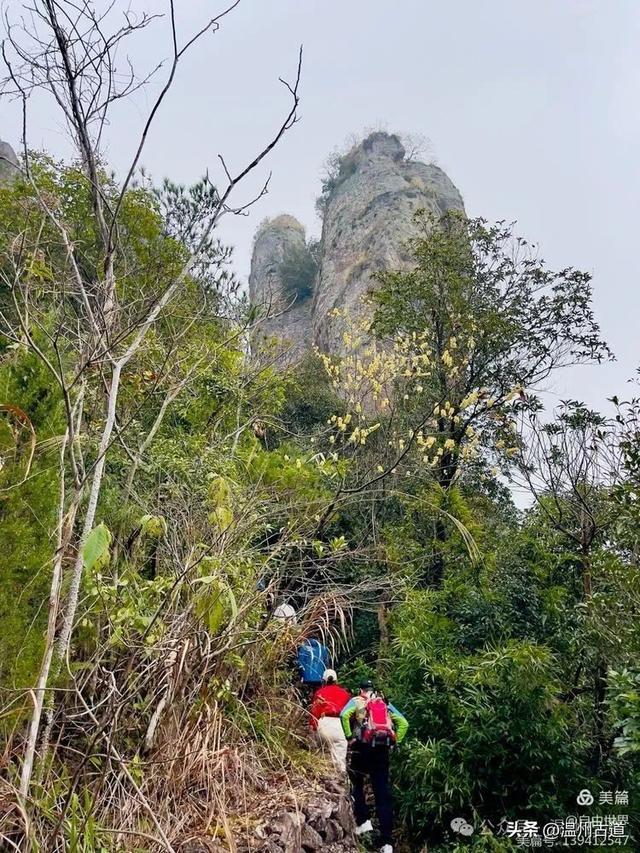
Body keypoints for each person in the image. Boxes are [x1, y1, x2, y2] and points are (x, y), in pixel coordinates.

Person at [340, 679, 408, 853]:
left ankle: (364, 821)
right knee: (382, 794)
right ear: (374, 689)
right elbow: (403, 723)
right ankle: (387, 843)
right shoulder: (384, 703)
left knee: (357, 782)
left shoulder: (356, 701)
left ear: (361, 689)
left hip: (362, 748)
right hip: (382, 750)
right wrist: (395, 742)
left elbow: (344, 715)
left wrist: (349, 736)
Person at [309, 668, 351, 773]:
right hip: (338, 725)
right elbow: (349, 714)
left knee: (321, 756)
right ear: (336, 680)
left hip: (323, 723)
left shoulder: (319, 693)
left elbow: (314, 713)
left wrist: (313, 730)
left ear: (324, 681)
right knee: (340, 761)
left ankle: (322, 780)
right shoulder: (345, 694)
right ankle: (341, 782)